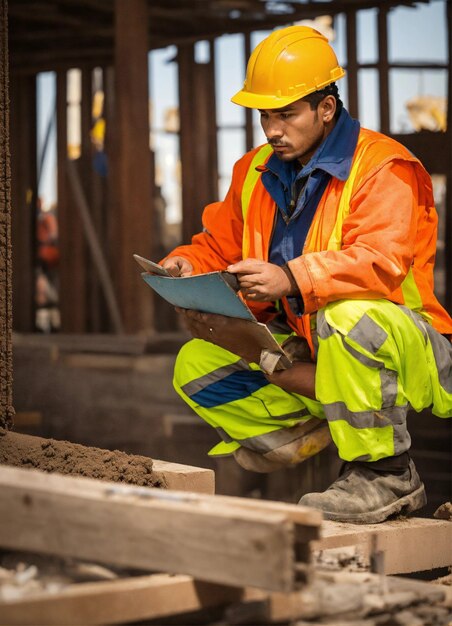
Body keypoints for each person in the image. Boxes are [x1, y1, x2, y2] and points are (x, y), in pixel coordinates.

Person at [160, 25, 452, 524]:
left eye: (287, 114)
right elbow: (219, 244)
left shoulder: (384, 167)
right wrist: (189, 265)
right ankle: (332, 429)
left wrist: (290, 277)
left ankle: (386, 472)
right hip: (321, 352)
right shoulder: (254, 170)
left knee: (349, 315)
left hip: (407, 349)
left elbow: (378, 261)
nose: (273, 129)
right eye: (265, 115)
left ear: (326, 108)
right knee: (196, 363)